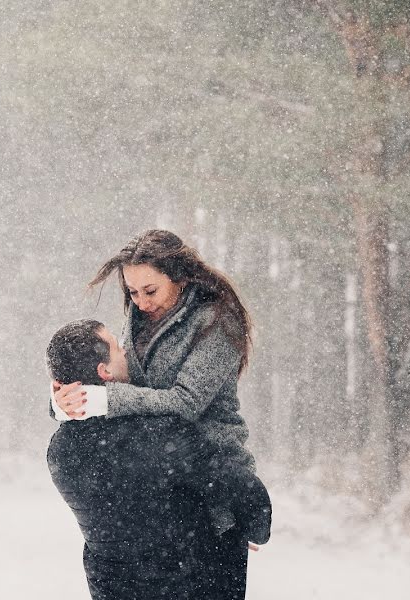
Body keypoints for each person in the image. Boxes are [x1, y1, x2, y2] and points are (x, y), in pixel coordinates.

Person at [52, 229, 260, 598]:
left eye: (150, 291)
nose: (140, 302)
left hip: (214, 490)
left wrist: (106, 399)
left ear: (179, 276)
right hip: (165, 493)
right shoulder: (140, 318)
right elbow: (111, 373)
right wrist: (66, 402)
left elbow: (184, 403)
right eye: (132, 292)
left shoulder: (217, 322)